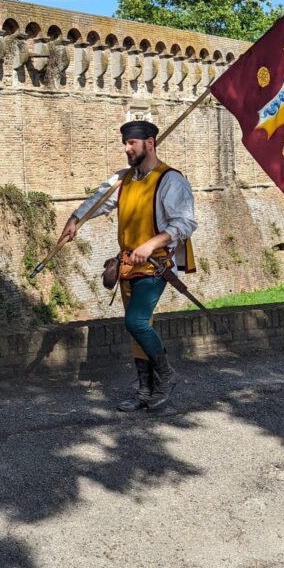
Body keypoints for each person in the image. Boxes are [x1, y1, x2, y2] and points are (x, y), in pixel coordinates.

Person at [58, 120, 197, 411]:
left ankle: (167, 376)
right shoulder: (123, 179)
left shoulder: (170, 180)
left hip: (154, 266)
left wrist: (151, 244)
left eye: (132, 143)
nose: (127, 148)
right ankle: (145, 391)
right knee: (138, 330)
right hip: (126, 266)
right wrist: (75, 219)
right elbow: (98, 201)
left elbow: (185, 223)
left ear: (150, 142)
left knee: (135, 321)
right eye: (125, 143)